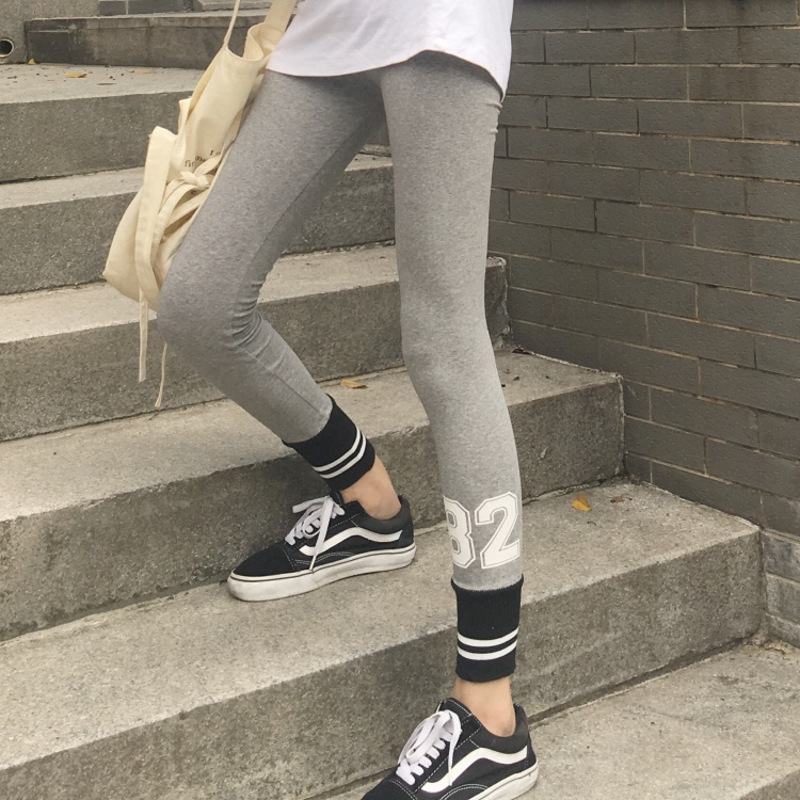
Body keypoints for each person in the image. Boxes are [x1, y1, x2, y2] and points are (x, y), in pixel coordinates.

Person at [157, 0, 539, 797]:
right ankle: (369, 503)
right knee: (198, 300)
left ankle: (490, 715)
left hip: (437, 23)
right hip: (325, 29)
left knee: (442, 340)